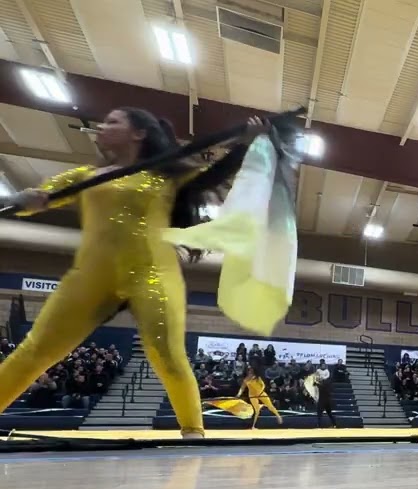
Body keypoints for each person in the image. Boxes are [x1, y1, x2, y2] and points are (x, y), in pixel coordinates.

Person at [0, 108, 264, 439]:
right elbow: (42, 197)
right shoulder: (84, 176)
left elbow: (212, 175)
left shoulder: (163, 175)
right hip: (92, 277)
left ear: (138, 133)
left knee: (165, 352)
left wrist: (245, 146)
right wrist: (26, 199)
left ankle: (193, 431)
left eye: (113, 121)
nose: (102, 125)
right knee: (36, 349)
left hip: (152, 273)